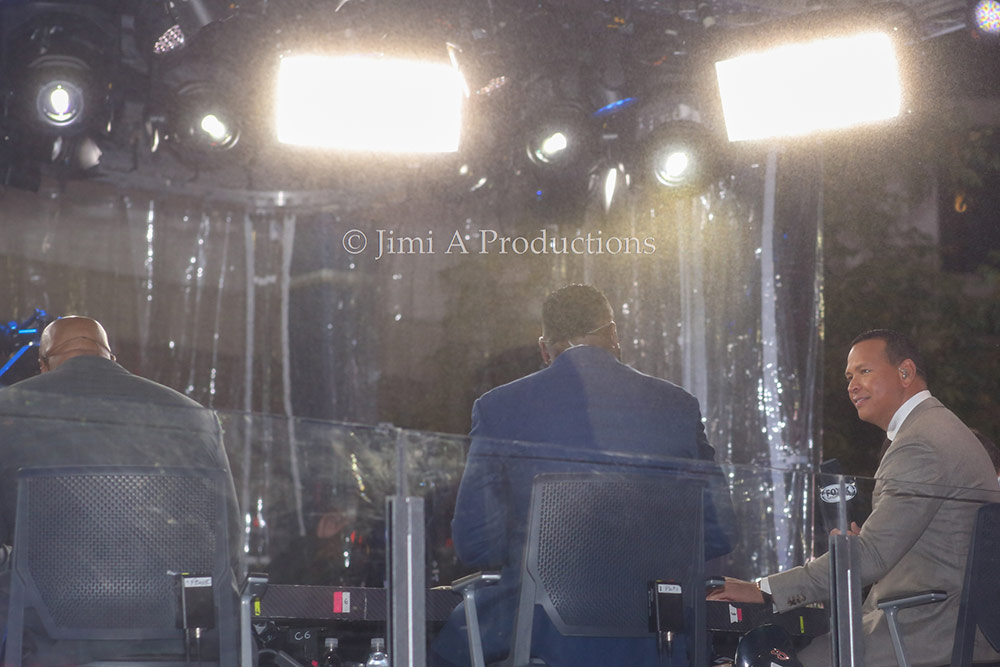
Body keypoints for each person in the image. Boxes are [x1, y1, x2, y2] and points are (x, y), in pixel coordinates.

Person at [431, 284, 735, 667]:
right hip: (660, 641)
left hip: (540, 639)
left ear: (545, 348)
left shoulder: (498, 407)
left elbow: (475, 543)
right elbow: (721, 532)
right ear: (613, 334)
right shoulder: (679, 406)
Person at [708, 329, 1000, 667]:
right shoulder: (940, 428)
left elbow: (870, 557)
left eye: (864, 371)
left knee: (770, 659)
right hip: (945, 624)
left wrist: (765, 590)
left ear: (905, 373)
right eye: (849, 376)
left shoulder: (920, 443)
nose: (852, 385)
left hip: (927, 630)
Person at [0, 316, 242, 663]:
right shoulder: (194, 415)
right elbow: (228, 540)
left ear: (43, 366)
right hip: (178, 638)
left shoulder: (9, 410)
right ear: (111, 358)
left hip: (44, 640)